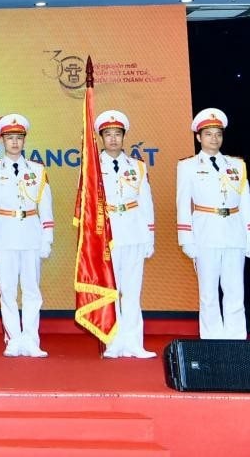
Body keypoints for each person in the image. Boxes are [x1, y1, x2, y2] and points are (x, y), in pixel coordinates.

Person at [177, 108, 250, 340]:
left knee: (235, 290)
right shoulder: (188, 166)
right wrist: (186, 239)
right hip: (205, 234)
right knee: (209, 293)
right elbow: (182, 204)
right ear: (198, 137)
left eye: (218, 134)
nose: (214, 139)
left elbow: (245, 201)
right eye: (208, 134)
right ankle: (212, 338)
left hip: (234, 233)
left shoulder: (236, 165)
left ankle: (236, 337)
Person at [0, 114, 54, 358]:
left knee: (32, 290)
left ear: (24, 140)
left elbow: (45, 207)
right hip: (5, 236)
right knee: (7, 290)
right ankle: (13, 339)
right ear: (2, 140)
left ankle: (31, 339)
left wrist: (47, 237)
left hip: (31, 235)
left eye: (19, 137)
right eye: (9, 137)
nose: (14, 142)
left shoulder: (37, 170)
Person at [95, 111, 157, 359]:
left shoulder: (137, 166)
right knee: (111, 290)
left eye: (117, 134)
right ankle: (113, 342)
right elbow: (88, 207)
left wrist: (149, 236)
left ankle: (134, 343)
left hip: (134, 232)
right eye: (108, 134)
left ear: (123, 137)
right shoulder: (93, 168)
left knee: (132, 292)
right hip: (107, 235)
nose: (113, 139)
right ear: (101, 138)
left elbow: (146, 203)